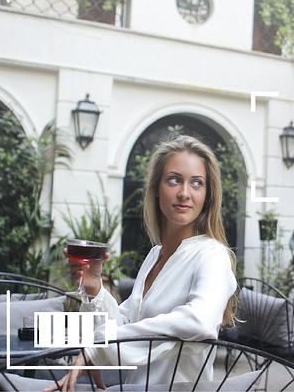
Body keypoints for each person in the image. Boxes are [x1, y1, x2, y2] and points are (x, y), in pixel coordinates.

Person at [46, 135, 238, 392]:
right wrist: (94, 290)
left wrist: (98, 348)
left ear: (207, 195)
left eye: (196, 183)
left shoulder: (212, 255)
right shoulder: (156, 256)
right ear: (156, 188)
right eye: (174, 180)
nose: (184, 193)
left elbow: (199, 321)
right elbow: (127, 322)